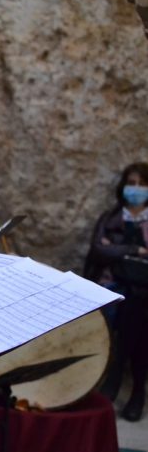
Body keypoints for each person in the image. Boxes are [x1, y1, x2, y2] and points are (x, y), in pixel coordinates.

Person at [84, 162, 148, 422]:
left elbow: (109, 249)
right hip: (111, 287)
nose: (136, 189)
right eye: (131, 183)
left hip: (143, 291)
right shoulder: (111, 218)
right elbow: (99, 250)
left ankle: (121, 379)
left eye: (142, 184)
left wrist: (117, 249)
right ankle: (133, 389)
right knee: (128, 309)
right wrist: (134, 251)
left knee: (137, 311)